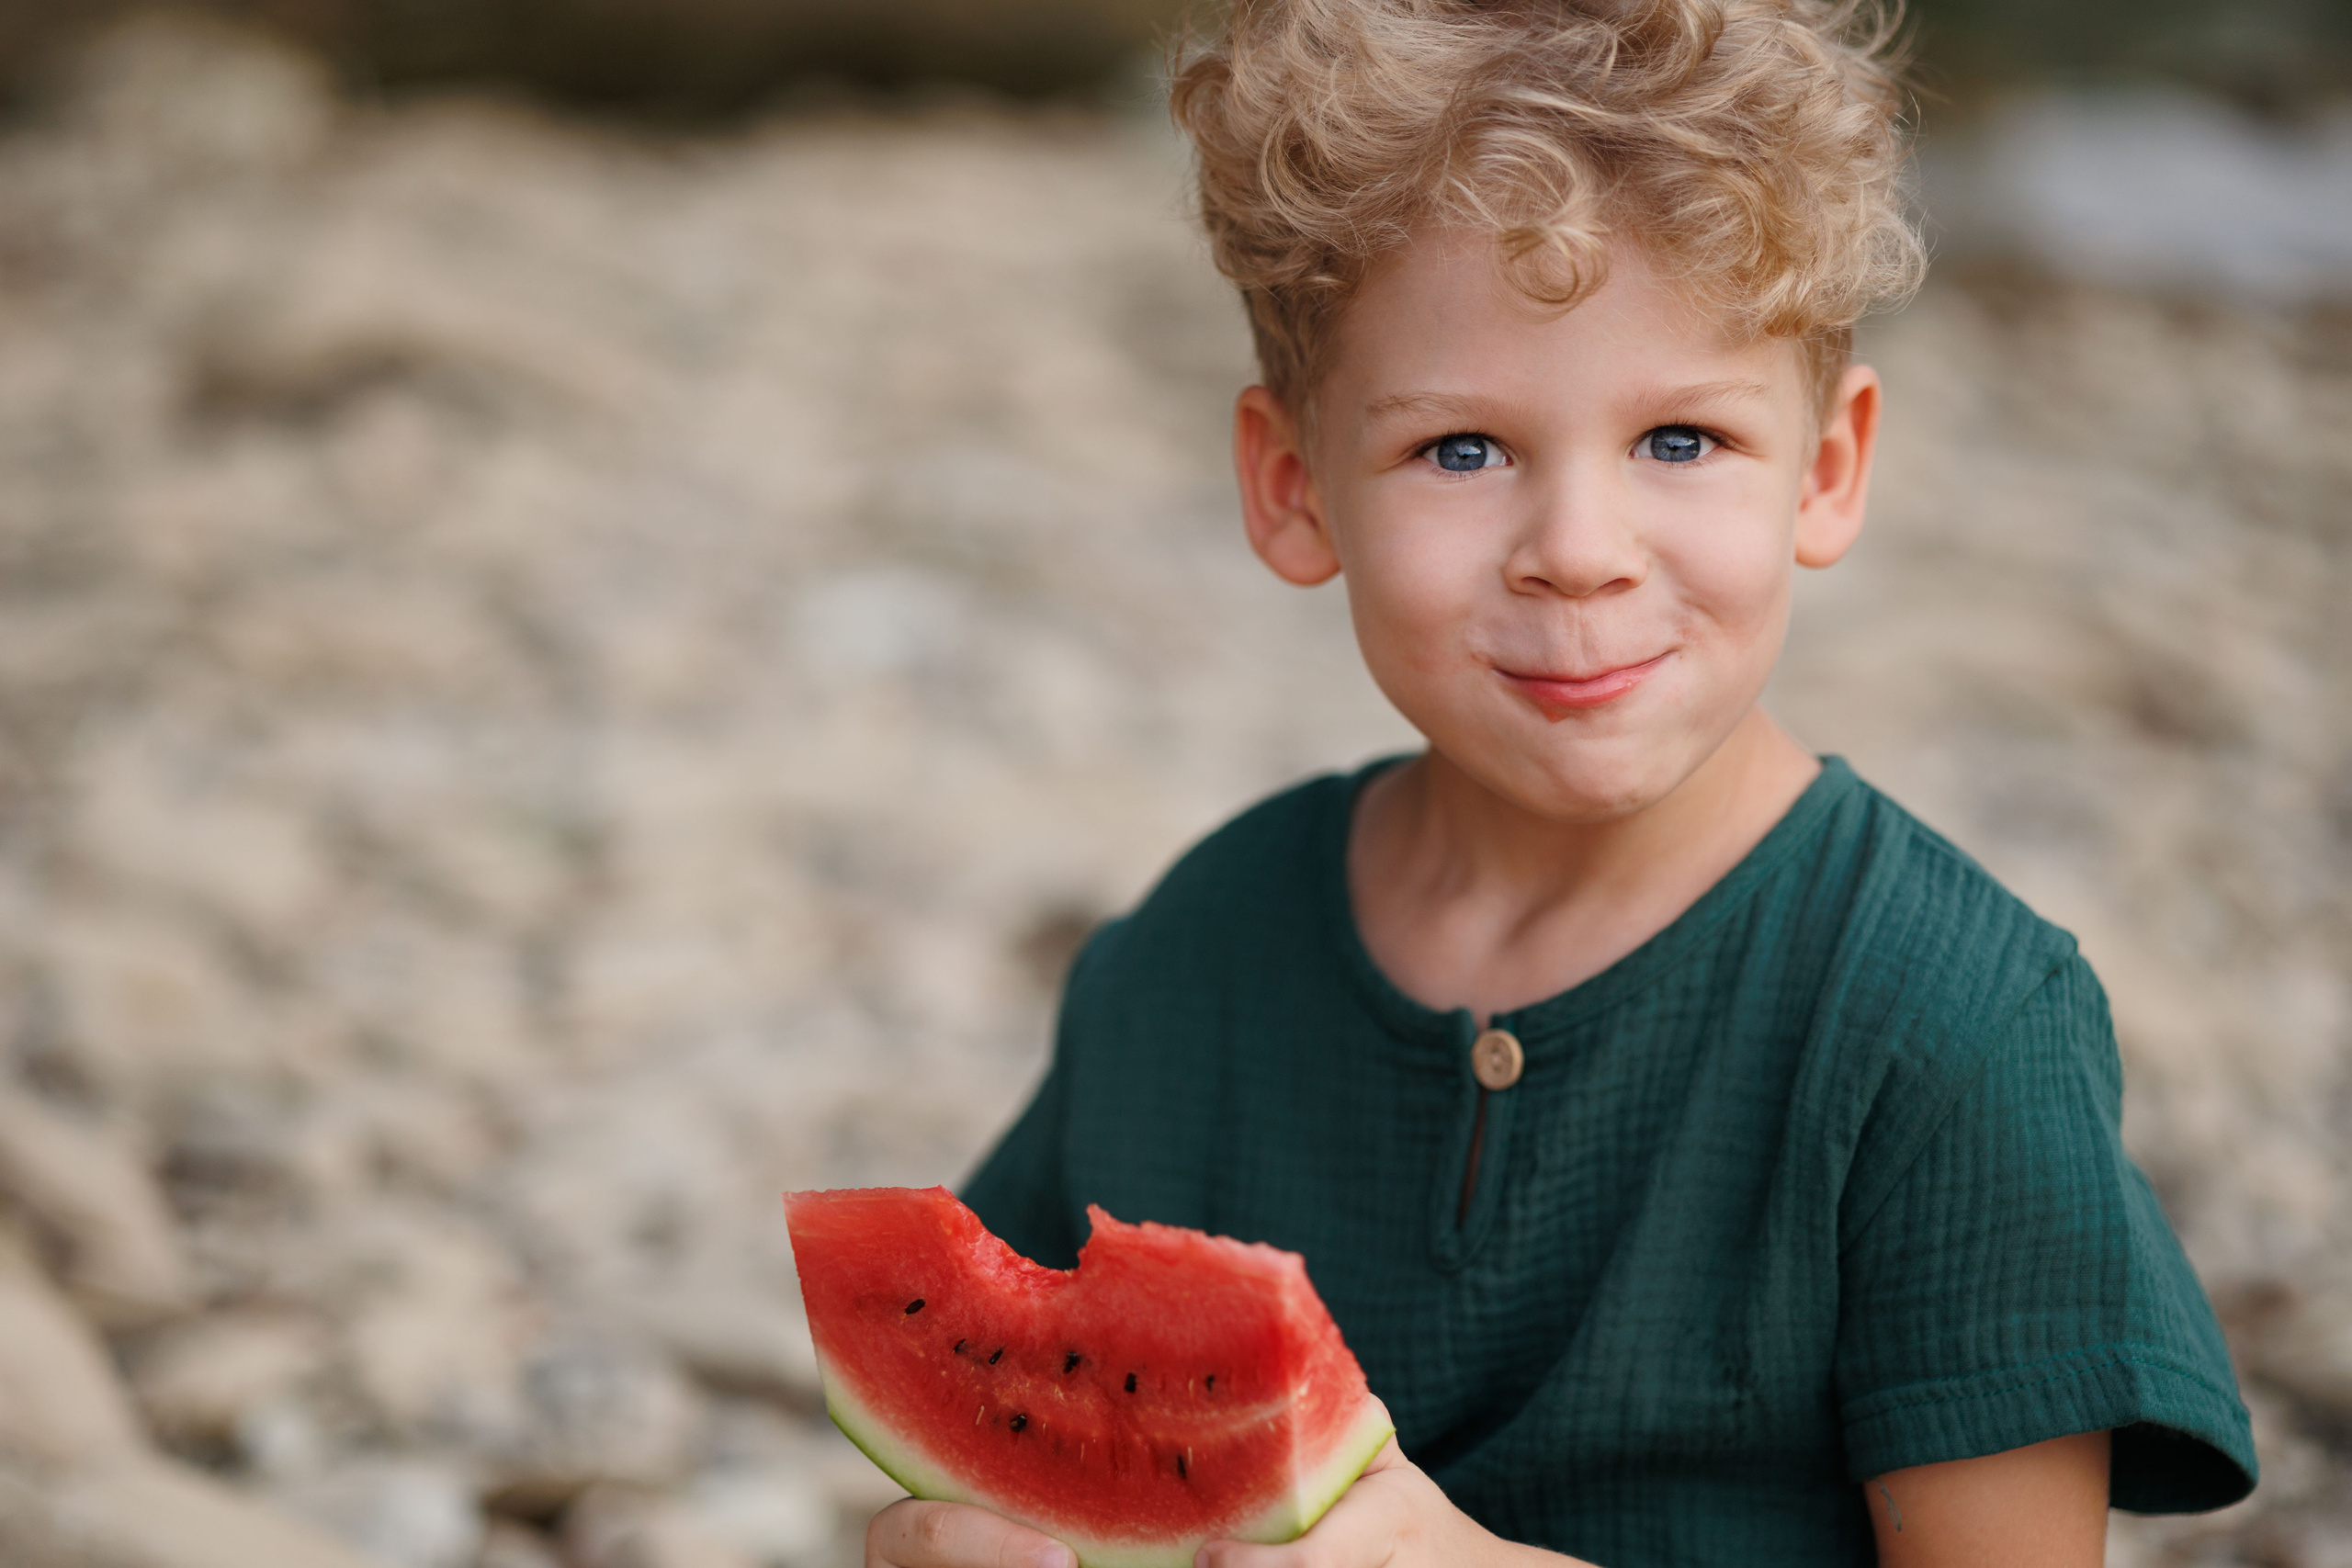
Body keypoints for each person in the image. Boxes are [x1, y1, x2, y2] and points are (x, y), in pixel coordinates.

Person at [867, 1, 2256, 1562]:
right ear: (1290, 485)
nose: (1581, 552)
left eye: (1680, 437)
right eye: (1463, 450)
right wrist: (948, 1536)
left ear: (1828, 465)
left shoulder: (1947, 1026)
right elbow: (989, 1408)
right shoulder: (1197, 958)